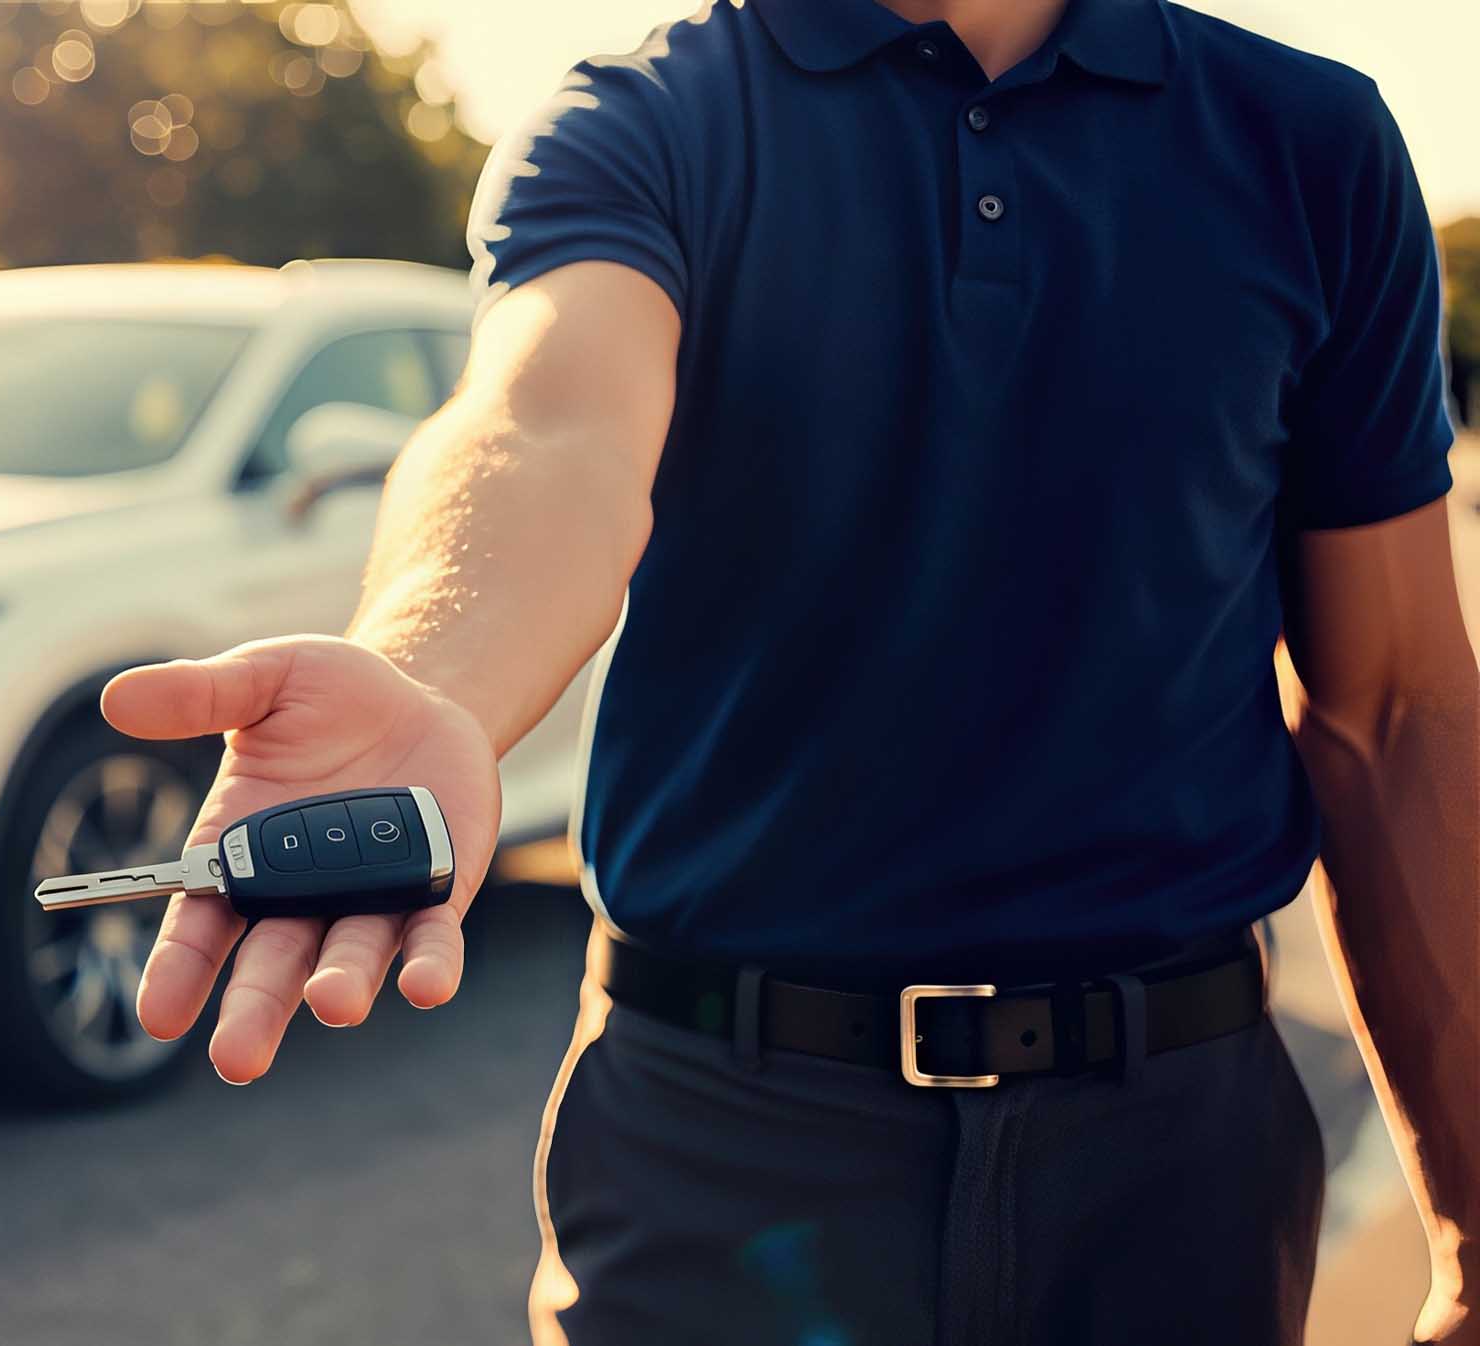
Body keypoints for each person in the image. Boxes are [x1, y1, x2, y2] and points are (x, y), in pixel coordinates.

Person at [98, 0, 1477, 1340]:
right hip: (727, 1152)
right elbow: (544, 428)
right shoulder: (647, 122)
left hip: (1177, 1165)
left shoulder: (1309, 141)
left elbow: (1398, 710)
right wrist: (430, 672)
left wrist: (1477, 1231)